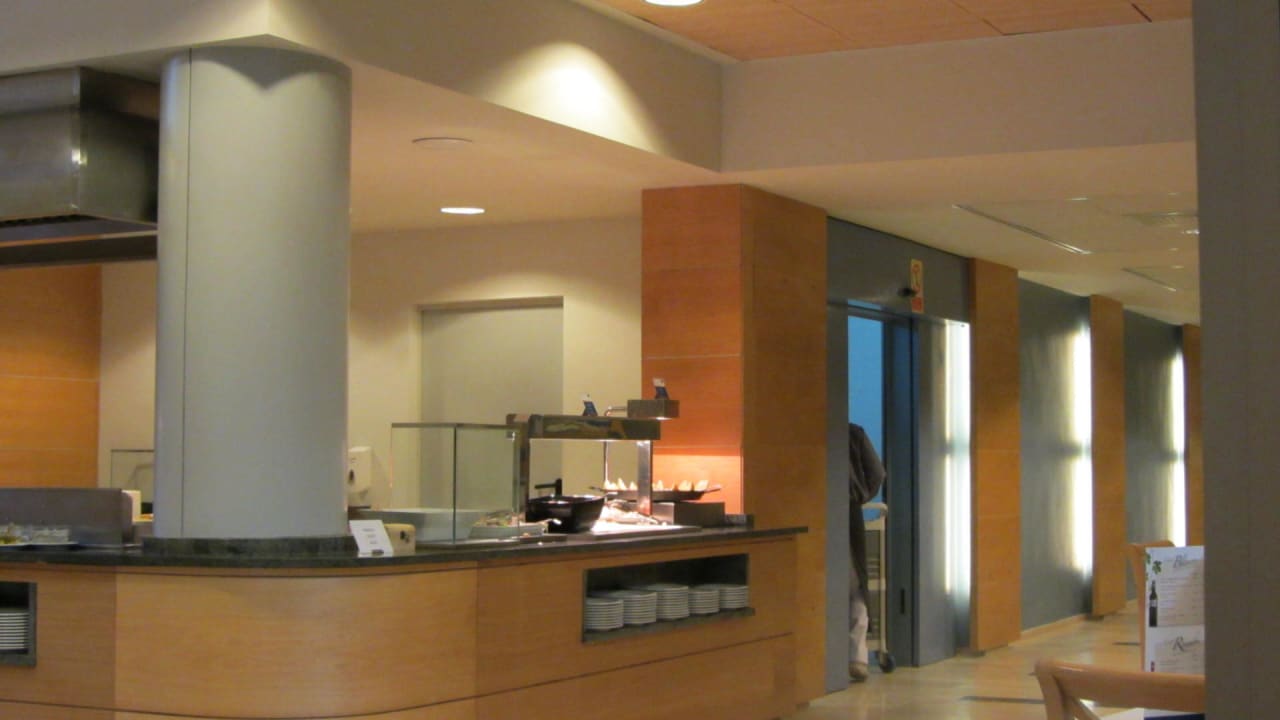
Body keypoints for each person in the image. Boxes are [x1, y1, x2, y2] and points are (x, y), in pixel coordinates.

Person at [848, 422, 885, 682]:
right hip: (850, 511)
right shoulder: (853, 433)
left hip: (815, 512)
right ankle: (857, 657)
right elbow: (877, 473)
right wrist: (861, 495)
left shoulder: (804, 433)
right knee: (856, 584)